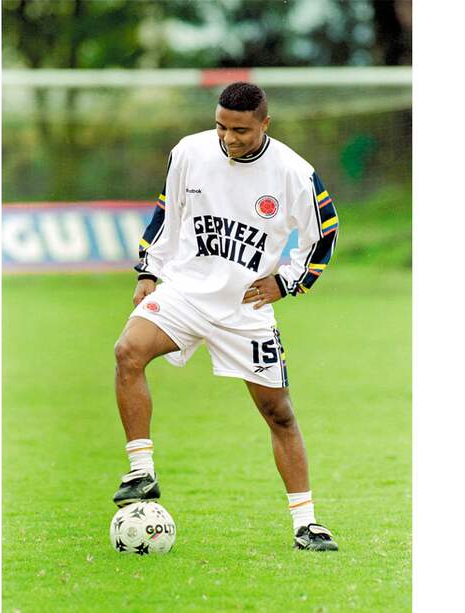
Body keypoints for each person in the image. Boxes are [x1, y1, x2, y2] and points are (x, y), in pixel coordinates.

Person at [112, 82, 339, 552]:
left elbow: (324, 232)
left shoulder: (294, 173)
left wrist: (288, 282)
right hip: (186, 292)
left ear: (264, 124)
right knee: (128, 352)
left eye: (240, 131)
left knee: (278, 413)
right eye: (221, 127)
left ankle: (307, 524)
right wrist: (149, 271)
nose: (229, 138)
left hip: (245, 310)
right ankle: (140, 471)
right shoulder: (189, 153)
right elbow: (166, 214)